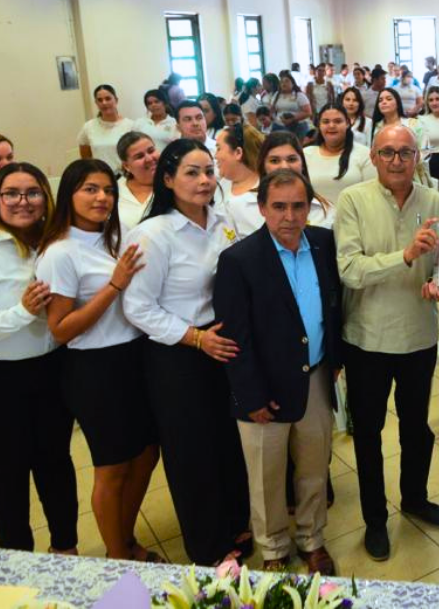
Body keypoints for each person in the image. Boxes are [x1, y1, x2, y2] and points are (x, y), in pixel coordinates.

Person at [122, 139, 251, 566]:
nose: (203, 181)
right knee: (191, 451)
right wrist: (195, 338)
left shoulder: (222, 221)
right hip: (177, 354)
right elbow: (138, 307)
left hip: (222, 345)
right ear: (168, 179)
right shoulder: (153, 233)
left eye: (209, 171)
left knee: (226, 441)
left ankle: (235, 521)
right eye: (192, 172)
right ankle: (209, 547)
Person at [334, 125, 439, 562]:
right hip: (366, 338)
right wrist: (405, 256)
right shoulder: (353, 201)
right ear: (373, 156)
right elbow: (349, 270)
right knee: (367, 433)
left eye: (406, 152)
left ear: (419, 155)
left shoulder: (437, 201)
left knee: (417, 428)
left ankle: (415, 498)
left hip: (418, 336)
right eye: (388, 152)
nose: (398, 160)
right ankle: (374, 521)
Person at [215, 169, 341, 576]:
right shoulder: (239, 260)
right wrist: (250, 396)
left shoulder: (323, 244)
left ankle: (312, 539)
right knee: (267, 478)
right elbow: (235, 336)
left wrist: (334, 361)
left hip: (316, 381)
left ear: (311, 207)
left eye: (298, 206)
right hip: (263, 391)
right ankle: (273, 548)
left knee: (313, 469)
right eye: (279, 206)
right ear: (263, 208)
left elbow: (333, 308)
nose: (289, 216)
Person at [35, 160, 161, 563]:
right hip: (94, 368)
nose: (102, 197)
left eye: (107, 189)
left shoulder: (111, 239)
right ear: (69, 194)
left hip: (133, 356)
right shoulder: (60, 252)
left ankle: (125, 538)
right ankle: (117, 555)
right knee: (112, 467)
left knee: (146, 454)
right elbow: (62, 328)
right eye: (90, 189)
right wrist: (115, 285)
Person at [0, 163, 79, 555]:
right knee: (7, 479)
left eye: (33, 192)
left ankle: (65, 550)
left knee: (56, 467)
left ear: (47, 199)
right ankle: (19, 562)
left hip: (49, 373)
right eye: (11, 193)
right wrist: (20, 314)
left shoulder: (53, 242)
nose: (22, 201)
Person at [303, 105, 375, 207]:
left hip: (353, 220)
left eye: (337, 121)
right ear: (319, 125)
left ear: (347, 123)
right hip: (313, 220)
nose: (331, 126)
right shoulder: (306, 154)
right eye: (326, 122)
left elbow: (371, 195)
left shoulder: (364, 154)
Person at [214, 124, 265, 238]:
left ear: (238, 153)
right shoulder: (222, 184)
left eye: (218, 148)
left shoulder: (266, 190)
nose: (215, 155)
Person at [78, 85, 134, 171]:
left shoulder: (130, 125)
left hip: (125, 176)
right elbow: (86, 157)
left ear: (116, 100)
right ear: (96, 103)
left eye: (108, 99)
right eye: (100, 100)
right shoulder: (88, 126)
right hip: (99, 176)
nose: (104, 103)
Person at [115, 132, 159, 232]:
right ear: (126, 166)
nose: (149, 158)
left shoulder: (174, 184)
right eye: (139, 156)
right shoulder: (114, 190)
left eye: (151, 151)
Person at [270, 72, 313, 138]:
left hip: (297, 126)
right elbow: (272, 110)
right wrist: (275, 119)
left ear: (292, 83)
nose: (284, 84)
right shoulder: (276, 95)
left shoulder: (299, 95)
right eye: (281, 82)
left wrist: (292, 119)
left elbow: (308, 112)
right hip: (279, 126)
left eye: (286, 81)